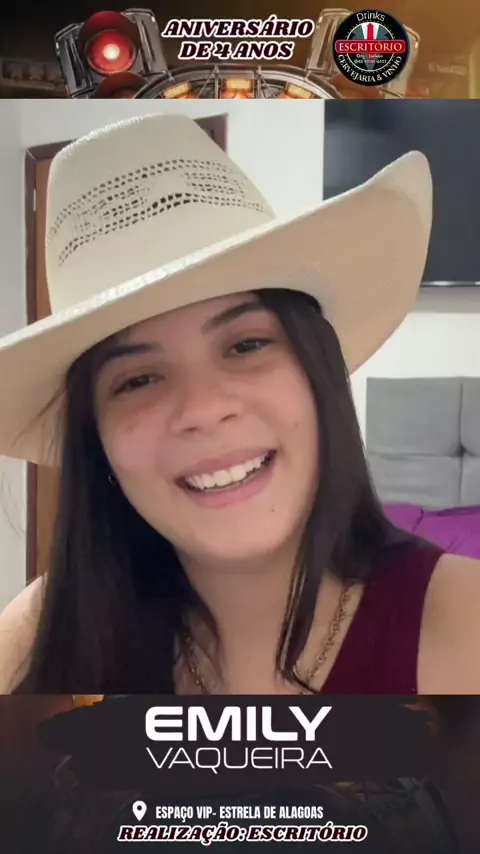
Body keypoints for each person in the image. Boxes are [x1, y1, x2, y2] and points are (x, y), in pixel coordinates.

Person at [0, 112, 479, 696]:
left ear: (318, 374)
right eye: (138, 379)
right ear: (96, 440)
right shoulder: (39, 638)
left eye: (246, 345)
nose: (203, 409)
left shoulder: (463, 624)